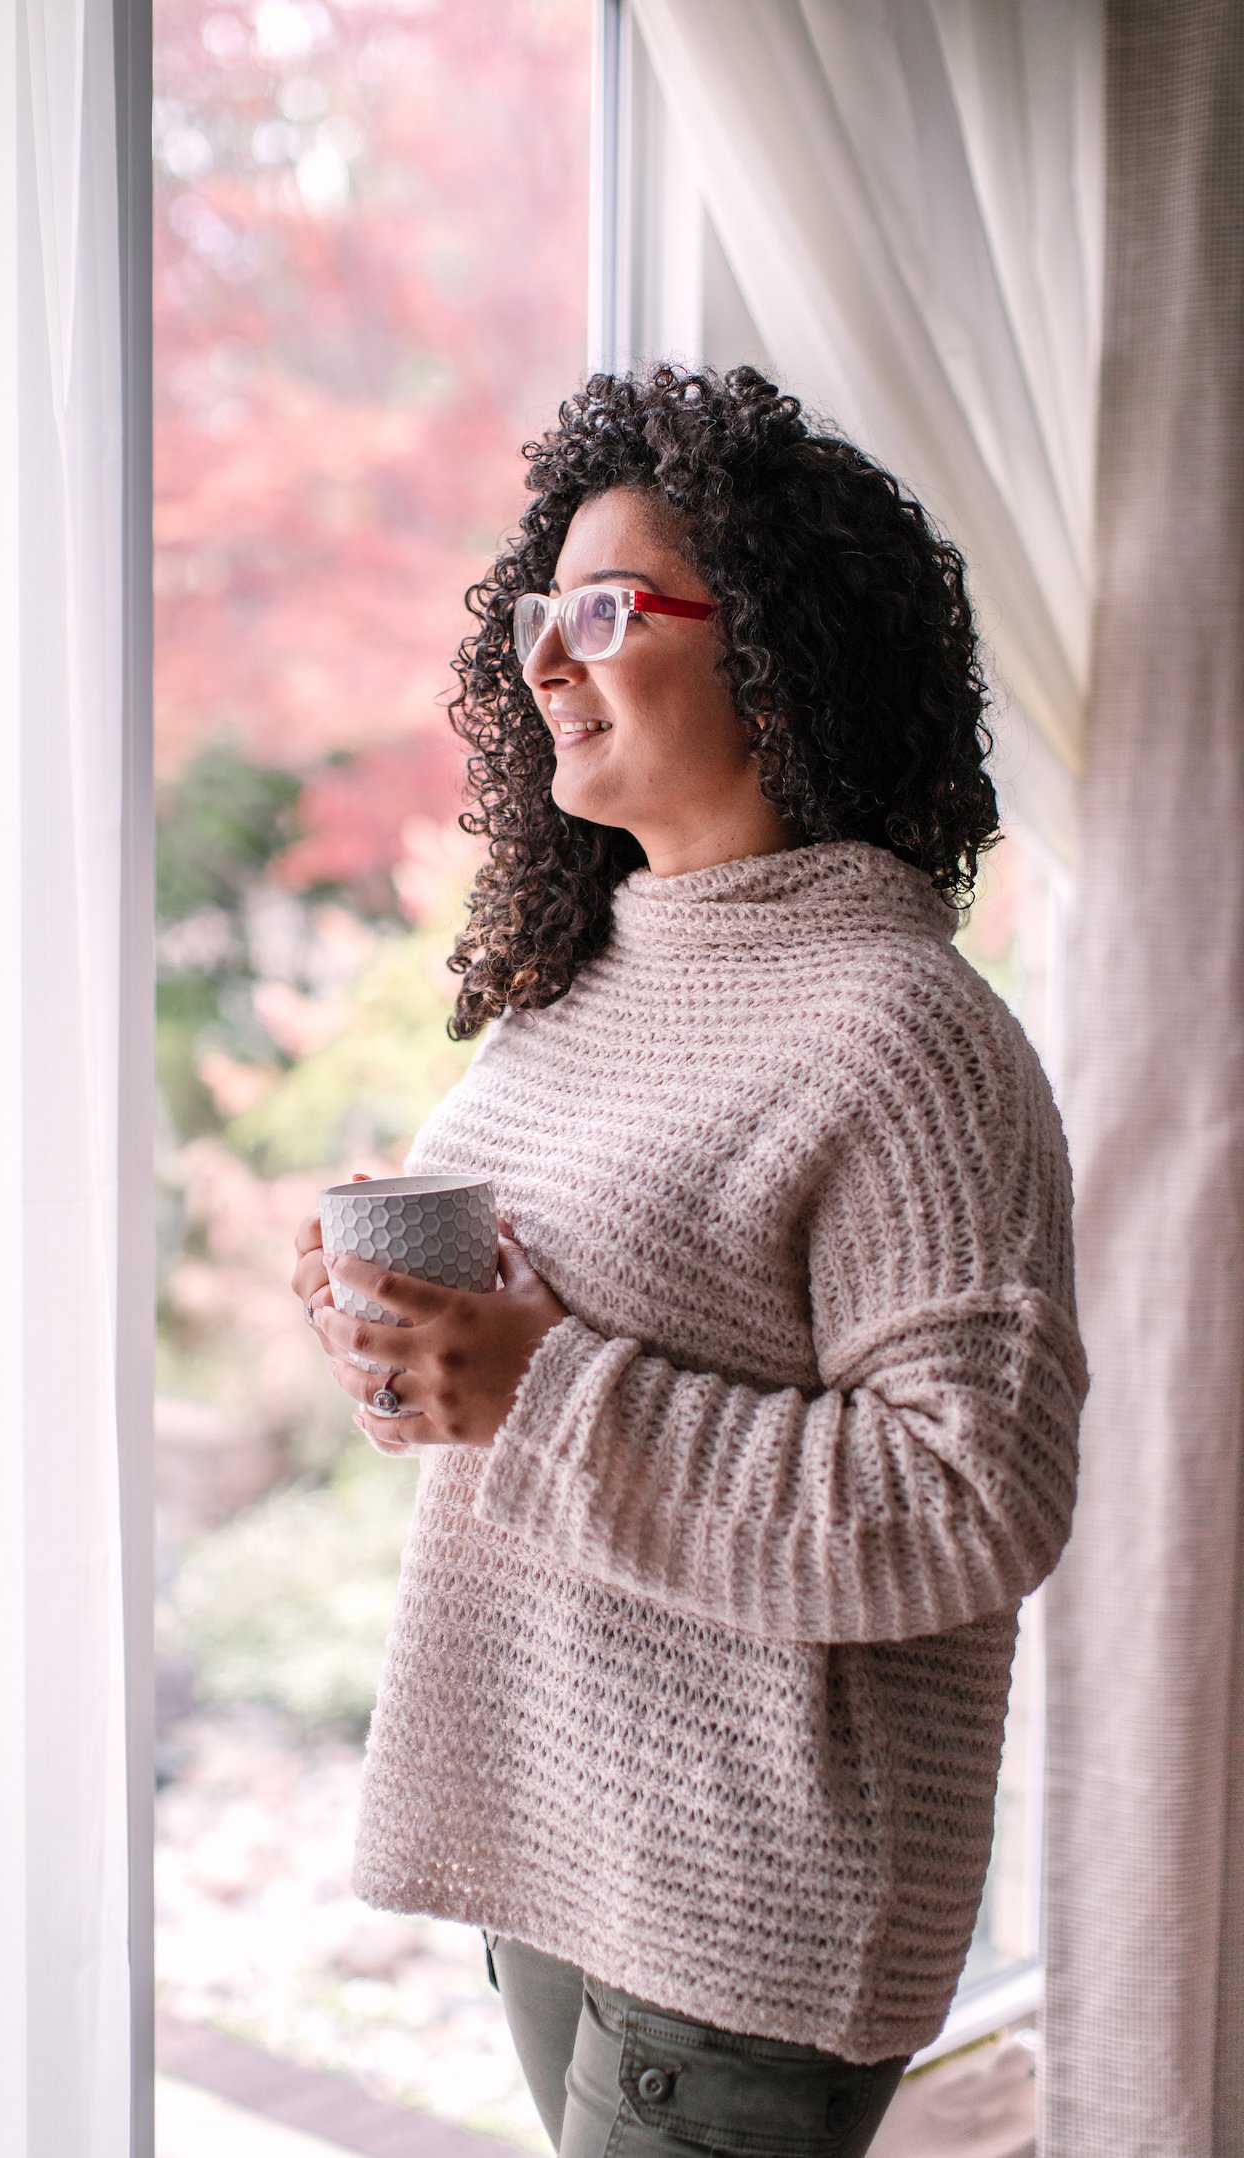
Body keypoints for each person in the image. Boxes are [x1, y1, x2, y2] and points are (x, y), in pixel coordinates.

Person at [289, 363, 1089, 2158]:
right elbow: (500, 1390)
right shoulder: (579, 992)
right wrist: (404, 1352)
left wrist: (532, 1384)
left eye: (607, 607)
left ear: (780, 653)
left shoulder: (904, 1030)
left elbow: (979, 1498)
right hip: (560, 1828)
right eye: (534, 614)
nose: (545, 659)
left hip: (749, 1887)